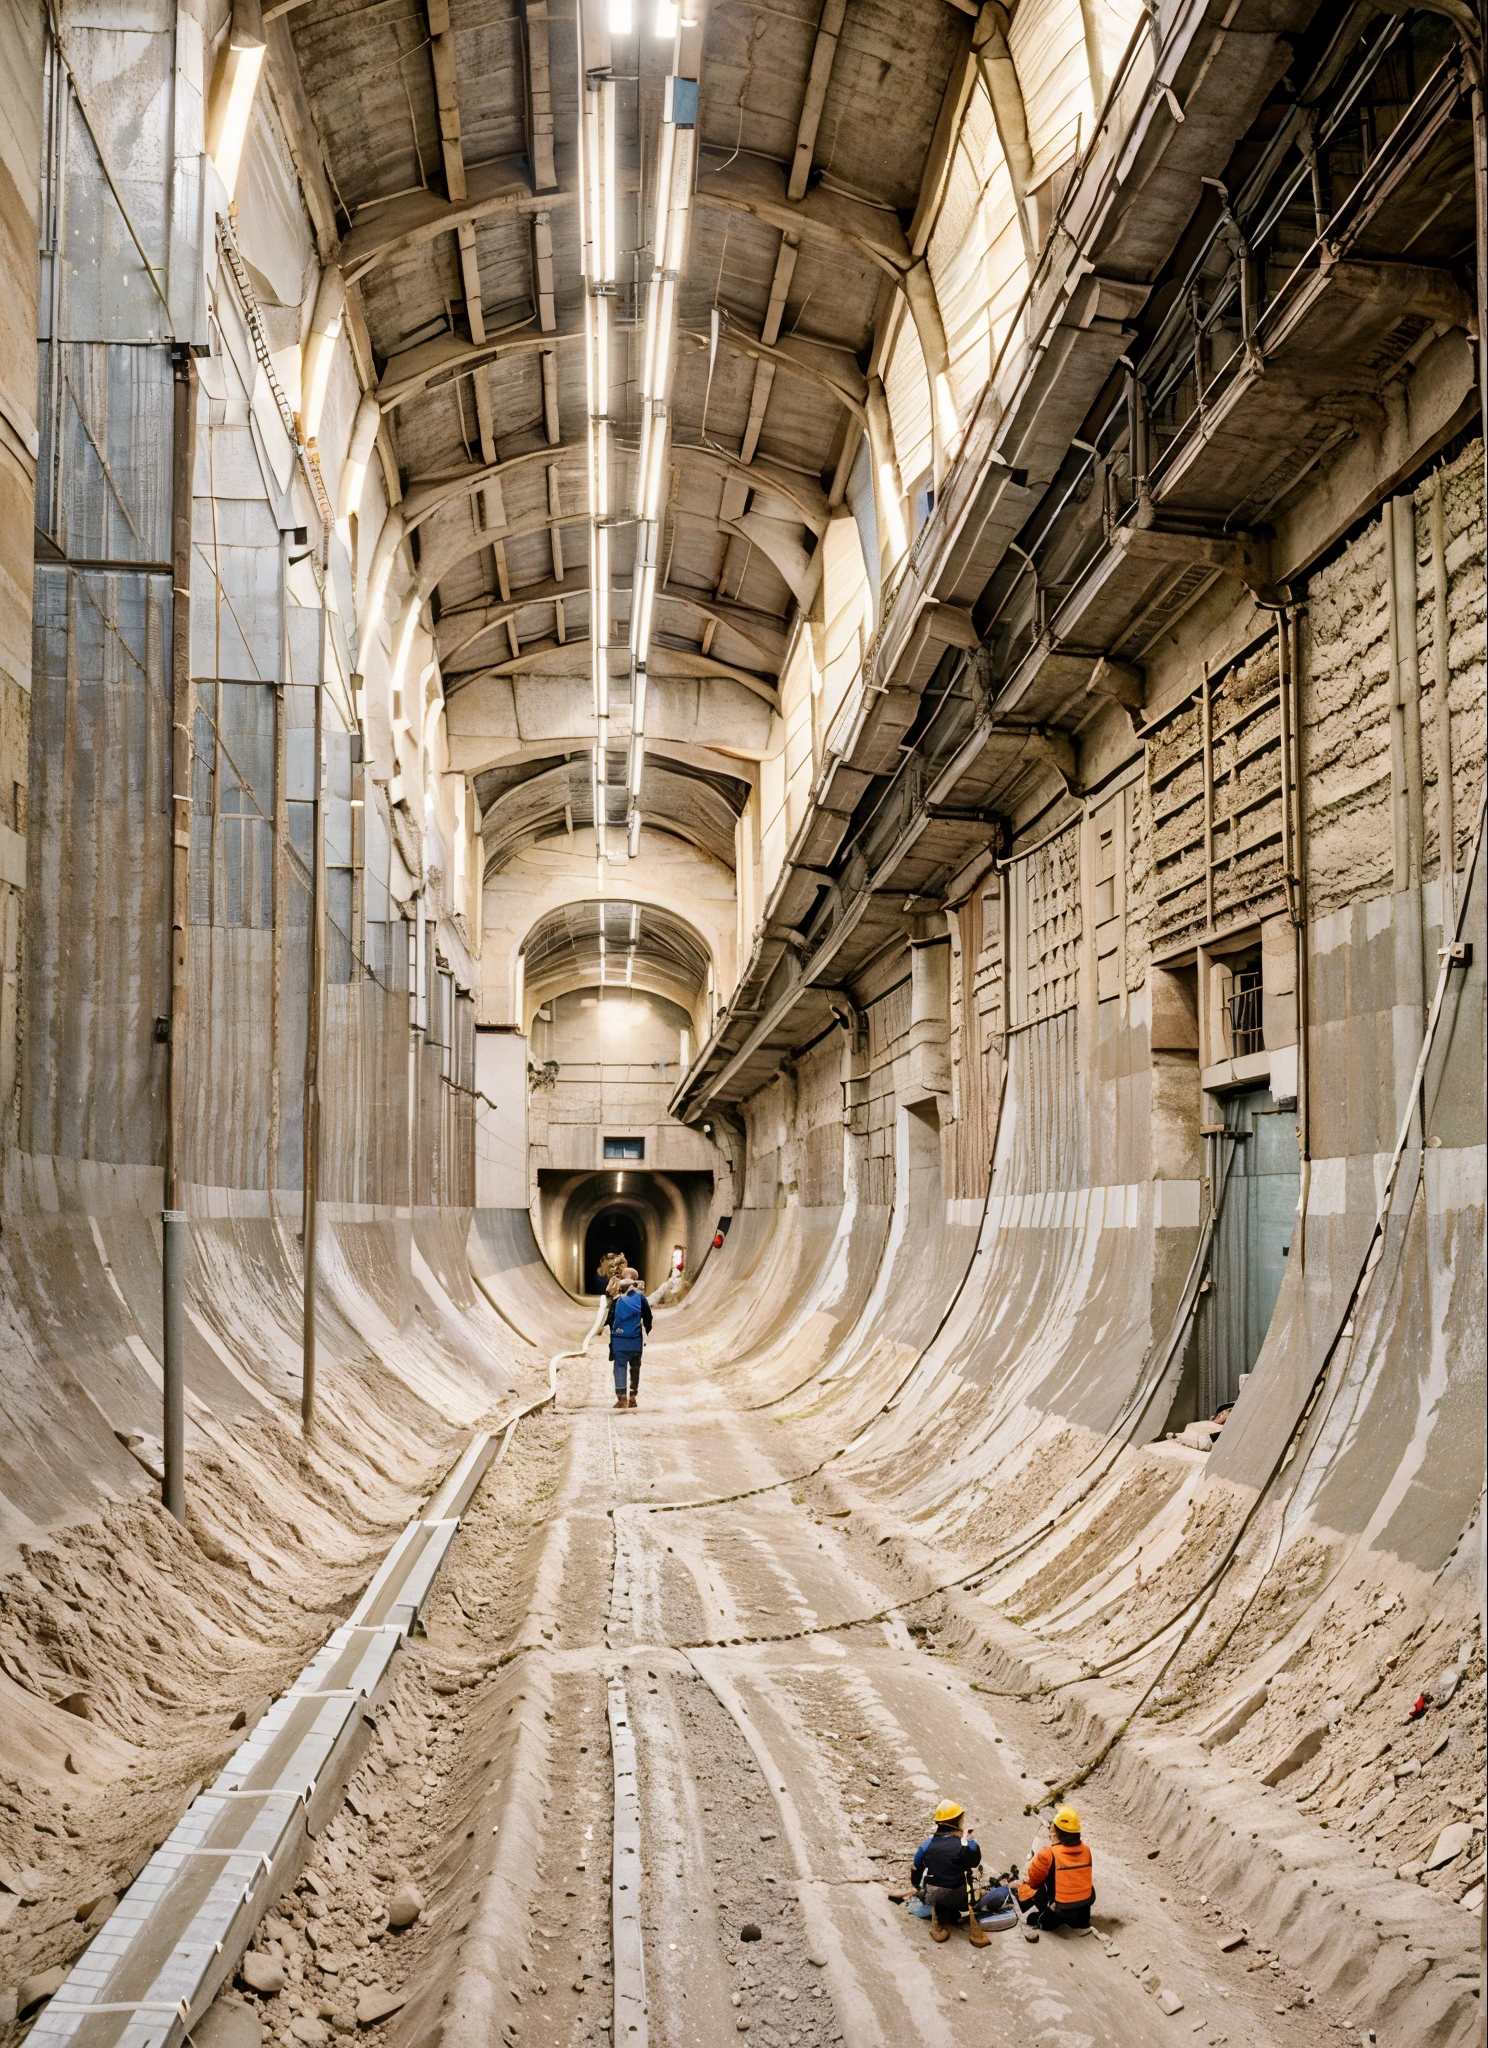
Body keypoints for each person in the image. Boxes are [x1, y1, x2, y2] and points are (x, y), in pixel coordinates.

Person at [911, 1801, 990, 1945]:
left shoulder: (928, 1844)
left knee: (935, 1890)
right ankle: (976, 1935)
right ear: (957, 1821)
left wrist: (918, 1886)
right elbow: (974, 1862)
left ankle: (937, 1928)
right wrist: (968, 1840)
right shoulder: (965, 1843)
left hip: (935, 1895)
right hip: (959, 1895)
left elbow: (916, 1866)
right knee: (970, 1886)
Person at [1016, 1806, 1094, 1935]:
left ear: (1057, 1831)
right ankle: (1079, 1921)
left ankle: (1047, 1917)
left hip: (1062, 1907)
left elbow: (1034, 1882)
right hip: (1084, 1904)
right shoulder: (1086, 1850)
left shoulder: (1048, 1854)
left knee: (1034, 1895)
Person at [606, 1278, 652, 1409]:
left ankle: (621, 1398)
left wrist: (614, 1335)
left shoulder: (616, 1302)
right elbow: (648, 1316)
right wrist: (647, 1330)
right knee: (635, 1367)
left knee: (619, 1367)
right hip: (635, 1340)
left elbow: (610, 1320)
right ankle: (633, 1397)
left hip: (619, 1340)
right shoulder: (641, 1299)